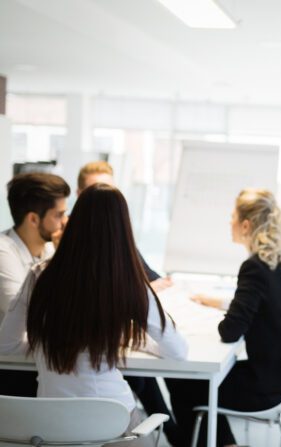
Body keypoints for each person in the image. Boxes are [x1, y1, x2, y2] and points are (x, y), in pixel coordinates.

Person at [0, 183, 188, 446]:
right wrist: (143, 344)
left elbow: (6, 345)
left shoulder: (39, 275)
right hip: (112, 426)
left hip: (51, 427)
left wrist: (48, 343)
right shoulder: (128, 282)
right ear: (123, 230)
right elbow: (177, 351)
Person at [167, 188, 281, 447]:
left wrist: (217, 317)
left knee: (183, 381)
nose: (228, 222)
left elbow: (230, 331)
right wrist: (219, 303)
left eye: (232, 216)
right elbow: (262, 307)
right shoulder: (278, 261)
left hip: (266, 386)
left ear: (245, 224)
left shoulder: (253, 267)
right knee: (195, 381)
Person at [76, 160, 179, 444]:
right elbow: (177, 350)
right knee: (146, 377)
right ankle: (177, 434)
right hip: (110, 417)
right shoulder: (118, 275)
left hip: (49, 424)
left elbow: (154, 278)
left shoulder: (45, 272)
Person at [0, 173, 70, 397]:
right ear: (33, 219)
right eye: (59, 214)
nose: (65, 221)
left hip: (36, 356)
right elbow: (29, 314)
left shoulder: (48, 249)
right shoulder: (4, 251)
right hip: (11, 368)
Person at [76, 161, 172, 292]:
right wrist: (145, 289)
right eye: (97, 192)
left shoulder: (116, 232)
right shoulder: (68, 234)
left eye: (110, 192)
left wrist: (161, 283)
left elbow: (147, 274)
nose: (106, 200)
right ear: (79, 194)